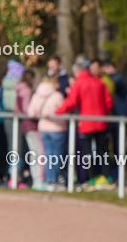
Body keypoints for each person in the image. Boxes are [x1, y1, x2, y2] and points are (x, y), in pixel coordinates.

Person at [56, 57, 113, 186]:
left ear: (76, 72)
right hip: (101, 122)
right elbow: (109, 102)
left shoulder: (79, 83)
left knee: (87, 152)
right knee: (103, 151)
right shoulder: (99, 82)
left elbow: (71, 102)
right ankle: (109, 177)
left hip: (86, 123)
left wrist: (57, 112)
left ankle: (91, 179)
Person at [28, 74, 68, 190]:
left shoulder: (37, 95)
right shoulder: (57, 96)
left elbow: (31, 112)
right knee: (57, 155)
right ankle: (54, 180)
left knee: (48, 155)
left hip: (43, 128)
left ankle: (49, 180)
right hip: (57, 128)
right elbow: (63, 111)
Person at [15, 68, 42, 188]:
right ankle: (37, 179)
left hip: (25, 124)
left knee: (33, 151)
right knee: (36, 152)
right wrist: (37, 112)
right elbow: (27, 109)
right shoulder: (27, 91)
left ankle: (34, 178)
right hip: (31, 124)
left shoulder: (19, 89)